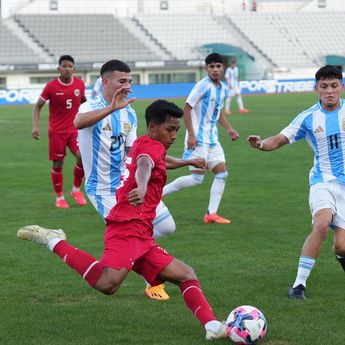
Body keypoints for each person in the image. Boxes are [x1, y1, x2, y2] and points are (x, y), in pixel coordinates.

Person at [17, 99, 228, 340]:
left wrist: (187, 161)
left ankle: (211, 325)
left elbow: (157, 160)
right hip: (126, 228)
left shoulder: (145, 142)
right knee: (107, 284)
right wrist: (141, 184)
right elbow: (145, 165)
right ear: (152, 127)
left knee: (186, 274)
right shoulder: (149, 150)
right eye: (170, 129)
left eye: (177, 130)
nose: (174, 135)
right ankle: (54, 240)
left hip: (142, 233)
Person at [74, 59, 207, 300]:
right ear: (105, 82)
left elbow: (139, 154)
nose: (128, 86)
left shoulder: (130, 113)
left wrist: (186, 162)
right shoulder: (90, 107)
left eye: (130, 81)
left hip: (127, 185)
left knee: (166, 226)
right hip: (101, 189)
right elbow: (78, 123)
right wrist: (111, 108)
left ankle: (139, 258)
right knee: (131, 237)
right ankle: (150, 279)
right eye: (122, 81)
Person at [247, 65, 345, 300]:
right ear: (316, 89)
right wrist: (260, 144)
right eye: (324, 86)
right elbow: (280, 139)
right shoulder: (308, 117)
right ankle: (298, 285)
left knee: (340, 246)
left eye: (334, 86)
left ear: (341, 87)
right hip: (322, 181)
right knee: (321, 223)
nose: (329, 91)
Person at [163, 53, 239, 224]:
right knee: (197, 178)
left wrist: (229, 129)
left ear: (223, 68)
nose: (215, 70)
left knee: (222, 173)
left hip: (212, 139)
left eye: (218, 66)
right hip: (198, 138)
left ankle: (211, 214)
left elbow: (216, 112)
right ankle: (158, 195)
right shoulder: (202, 86)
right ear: (206, 69)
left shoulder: (223, 88)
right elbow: (187, 108)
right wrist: (191, 134)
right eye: (211, 66)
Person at [32, 55, 88, 209]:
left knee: (82, 158)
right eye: (64, 66)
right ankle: (59, 197)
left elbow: (84, 103)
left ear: (74, 69)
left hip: (75, 130)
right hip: (57, 131)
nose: (68, 69)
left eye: (70, 66)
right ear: (59, 69)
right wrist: (35, 126)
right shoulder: (51, 87)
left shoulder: (79, 84)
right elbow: (37, 106)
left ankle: (76, 190)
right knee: (58, 163)